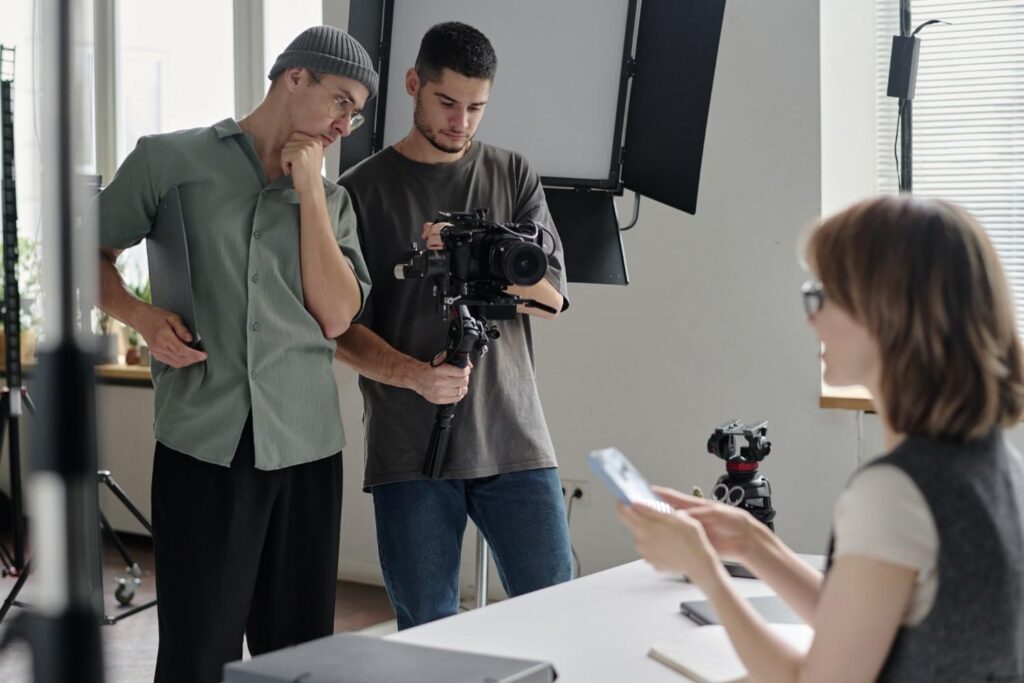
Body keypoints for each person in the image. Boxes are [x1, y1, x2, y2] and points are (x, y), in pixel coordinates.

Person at [619, 196, 1024, 682]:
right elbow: (864, 624)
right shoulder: (996, 462)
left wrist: (705, 571)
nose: (811, 317)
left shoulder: (894, 494)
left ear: (886, 312)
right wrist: (752, 544)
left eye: (823, 295)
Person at [95, 26, 376, 683]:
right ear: (293, 77)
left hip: (306, 451)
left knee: (300, 655)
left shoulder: (332, 202)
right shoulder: (170, 160)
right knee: (197, 651)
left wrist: (308, 190)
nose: (345, 123)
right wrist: (140, 316)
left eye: (355, 113)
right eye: (340, 101)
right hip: (203, 447)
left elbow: (337, 315)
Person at [336, 21, 573, 629]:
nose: (460, 122)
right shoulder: (360, 192)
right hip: (411, 450)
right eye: (446, 102)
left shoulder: (513, 174)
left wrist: (481, 248)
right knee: (427, 633)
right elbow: (339, 329)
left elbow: (552, 300)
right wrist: (417, 377)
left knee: (556, 616)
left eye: (476, 108)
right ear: (414, 84)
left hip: (515, 438)